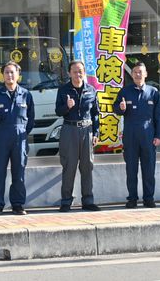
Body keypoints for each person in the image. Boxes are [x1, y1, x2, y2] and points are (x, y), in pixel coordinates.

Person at [0, 60, 35, 216]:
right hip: (2, 137)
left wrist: (22, 132)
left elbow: (31, 119)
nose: (9, 75)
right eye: (6, 72)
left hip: (20, 138)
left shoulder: (26, 95)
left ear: (18, 74)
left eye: (12, 72)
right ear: (3, 75)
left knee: (19, 172)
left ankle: (18, 204)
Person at [115, 62, 160, 208]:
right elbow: (116, 108)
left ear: (145, 74)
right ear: (132, 74)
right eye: (135, 72)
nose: (138, 74)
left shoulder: (153, 92)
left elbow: (159, 116)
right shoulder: (125, 91)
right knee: (131, 169)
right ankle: (132, 198)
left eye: (140, 72)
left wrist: (158, 135)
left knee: (149, 168)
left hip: (148, 135)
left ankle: (149, 198)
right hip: (130, 135)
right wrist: (121, 108)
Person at [55, 60, 100, 212]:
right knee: (69, 166)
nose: (78, 74)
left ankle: (88, 200)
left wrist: (96, 132)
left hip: (87, 130)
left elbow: (95, 114)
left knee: (87, 166)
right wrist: (67, 107)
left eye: (80, 71)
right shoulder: (63, 90)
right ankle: (66, 201)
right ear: (69, 73)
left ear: (84, 73)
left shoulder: (91, 90)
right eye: (74, 71)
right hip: (70, 129)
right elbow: (58, 111)